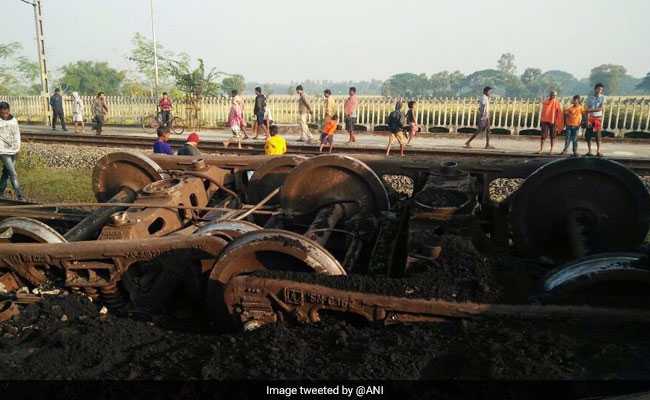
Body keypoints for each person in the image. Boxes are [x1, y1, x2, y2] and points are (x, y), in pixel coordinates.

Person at [0, 102, 24, 201]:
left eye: (6, 112)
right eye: (2, 113)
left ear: (9, 111)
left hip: (14, 150)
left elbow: (17, 134)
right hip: (2, 151)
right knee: (13, 173)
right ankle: (20, 195)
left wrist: (18, 147)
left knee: (6, 173)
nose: (5, 114)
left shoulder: (14, 120)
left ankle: (0, 192)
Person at [537, 90, 564, 154]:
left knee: (552, 136)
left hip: (553, 121)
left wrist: (558, 122)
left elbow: (559, 112)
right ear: (550, 95)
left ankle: (551, 150)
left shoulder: (557, 102)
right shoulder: (546, 101)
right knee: (543, 136)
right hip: (545, 120)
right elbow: (543, 110)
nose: (553, 96)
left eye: (555, 95)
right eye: (552, 95)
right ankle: (541, 149)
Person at [585, 83, 606, 157]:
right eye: (599, 89)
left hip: (598, 118)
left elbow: (601, 109)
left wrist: (590, 110)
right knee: (588, 135)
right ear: (595, 89)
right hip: (590, 118)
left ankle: (598, 151)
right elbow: (586, 110)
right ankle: (589, 151)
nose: (600, 91)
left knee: (598, 136)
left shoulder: (603, 97)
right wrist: (587, 120)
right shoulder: (589, 98)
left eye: (601, 90)